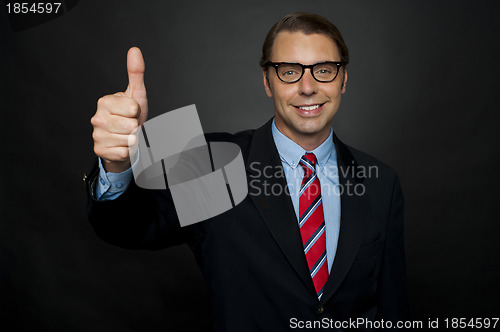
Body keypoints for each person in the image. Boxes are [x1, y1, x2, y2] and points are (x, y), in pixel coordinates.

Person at [85, 12, 410, 331]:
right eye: (289, 71)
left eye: (324, 70)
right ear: (267, 81)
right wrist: (119, 164)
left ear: (343, 80)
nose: (307, 87)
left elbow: (392, 309)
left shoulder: (380, 180)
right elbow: (125, 226)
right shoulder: (213, 163)